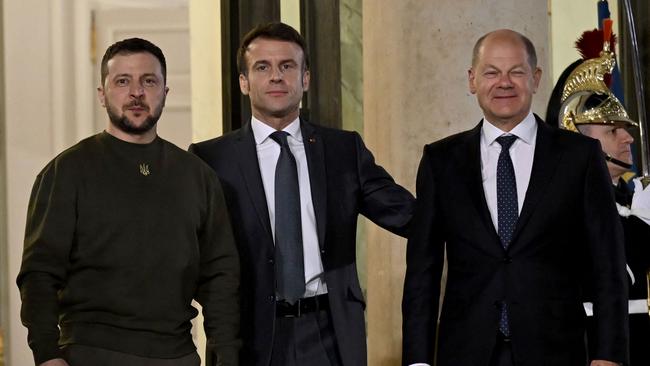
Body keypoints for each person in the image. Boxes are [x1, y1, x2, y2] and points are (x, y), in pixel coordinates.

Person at [189, 22, 414, 366]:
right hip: (249, 334)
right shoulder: (211, 159)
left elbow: (407, 215)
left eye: (287, 66)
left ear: (305, 78)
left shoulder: (343, 150)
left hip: (329, 331)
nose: (276, 77)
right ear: (244, 82)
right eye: (262, 67)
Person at [402, 29, 628, 366]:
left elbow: (607, 264)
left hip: (556, 351)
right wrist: (417, 360)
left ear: (535, 79)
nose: (504, 83)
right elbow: (423, 271)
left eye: (516, 72)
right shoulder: (441, 161)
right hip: (466, 352)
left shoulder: (579, 156)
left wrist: (608, 354)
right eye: (491, 72)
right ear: (472, 80)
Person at [16, 38, 240, 366]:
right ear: (102, 94)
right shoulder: (68, 172)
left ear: (165, 91)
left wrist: (227, 356)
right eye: (123, 81)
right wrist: (47, 354)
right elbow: (39, 272)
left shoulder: (197, 176)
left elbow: (220, 275)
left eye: (149, 81)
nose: (137, 92)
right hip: (89, 353)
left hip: (177, 354)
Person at [552, 33, 650, 365]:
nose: (628, 137)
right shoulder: (565, 201)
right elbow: (613, 276)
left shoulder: (628, 196)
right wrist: (641, 227)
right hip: (590, 346)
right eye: (612, 131)